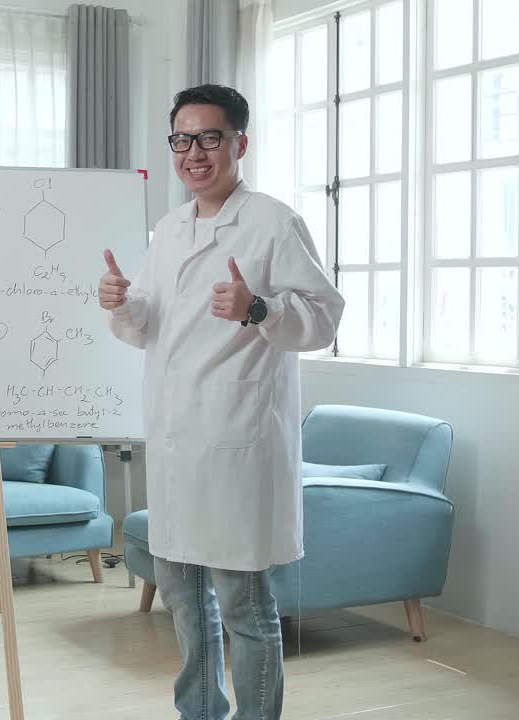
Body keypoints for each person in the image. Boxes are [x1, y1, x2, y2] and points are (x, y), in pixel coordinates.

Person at [100, 84, 344, 720]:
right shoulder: (171, 228)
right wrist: (122, 301)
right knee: (183, 598)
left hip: (237, 441)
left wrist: (258, 308)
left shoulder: (272, 222)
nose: (195, 153)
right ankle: (200, 712)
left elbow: (324, 319)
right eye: (182, 139)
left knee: (243, 604)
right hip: (178, 439)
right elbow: (153, 323)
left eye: (210, 137)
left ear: (240, 142)